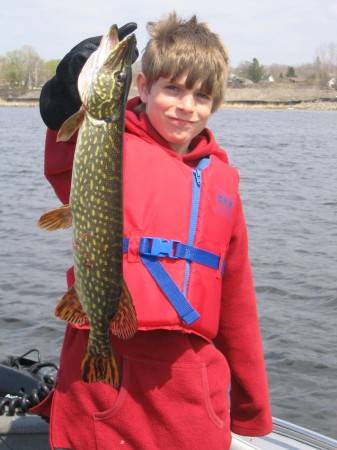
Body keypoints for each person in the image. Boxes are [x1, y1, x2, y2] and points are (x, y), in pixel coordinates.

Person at [32, 12, 273, 450]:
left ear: (215, 104)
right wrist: (66, 91)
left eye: (201, 95)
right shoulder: (110, 142)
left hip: (189, 394)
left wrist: (252, 409)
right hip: (103, 387)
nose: (186, 105)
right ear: (143, 88)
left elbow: (238, 303)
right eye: (174, 89)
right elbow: (64, 142)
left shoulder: (222, 186)